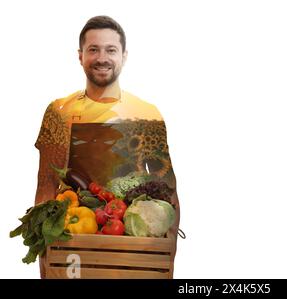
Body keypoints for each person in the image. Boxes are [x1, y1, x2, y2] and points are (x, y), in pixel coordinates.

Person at [34, 16, 180, 278]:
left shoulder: (147, 114)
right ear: (80, 56)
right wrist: (46, 259)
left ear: (124, 56)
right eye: (93, 49)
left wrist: (165, 256)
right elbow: (45, 184)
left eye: (111, 50)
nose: (102, 57)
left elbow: (168, 189)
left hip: (131, 248)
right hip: (73, 242)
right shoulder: (59, 111)